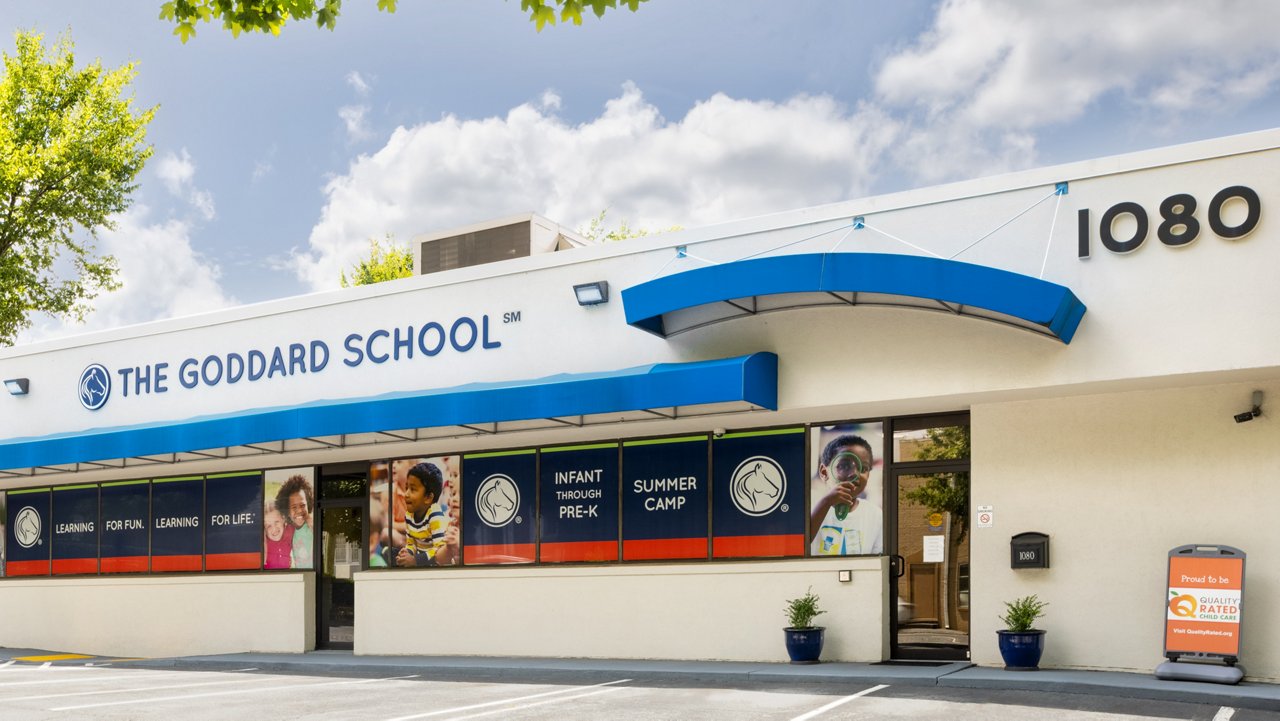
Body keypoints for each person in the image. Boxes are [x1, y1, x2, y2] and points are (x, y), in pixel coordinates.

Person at [809, 434, 883, 555]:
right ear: (823, 472)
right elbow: (797, 546)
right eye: (844, 466)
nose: (854, 474)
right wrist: (826, 502)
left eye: (863, 468)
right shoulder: (809, 505)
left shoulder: (875, 515)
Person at [395, 462, 458, 567]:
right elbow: (411, 544)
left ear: (428, 497)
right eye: (407, 488)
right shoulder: (409, 515)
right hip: (421, 563)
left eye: (413, 489)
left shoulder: (435, 516)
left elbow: (439, 549)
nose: (406, 494)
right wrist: (407, 553)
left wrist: (415, 560)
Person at [276, 474, 314, 569]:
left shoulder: (311, 525)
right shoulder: (289, 530)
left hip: (314, 575)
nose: (299, 510)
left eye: (302, 505)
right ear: (287, 511)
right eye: (294, 507)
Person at [263, 505, 294, 569]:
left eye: (276, 522)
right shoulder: (264, 543)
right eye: (269, 526)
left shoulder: (290, 530)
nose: (274, 529)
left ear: (283, 519)